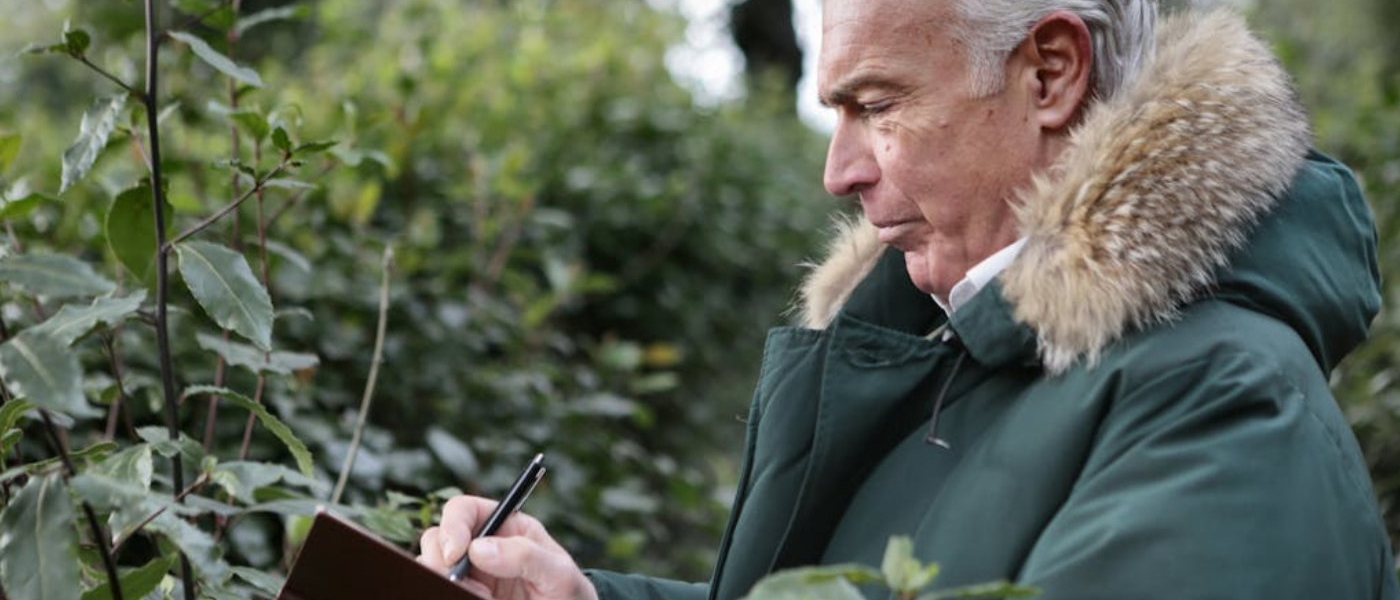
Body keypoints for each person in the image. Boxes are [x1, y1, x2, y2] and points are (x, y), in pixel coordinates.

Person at [419, 0, 1400, 597]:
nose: (837, 172)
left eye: (875, 107)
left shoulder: (1223, 410)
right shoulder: (964, 344)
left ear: (1049, 73)